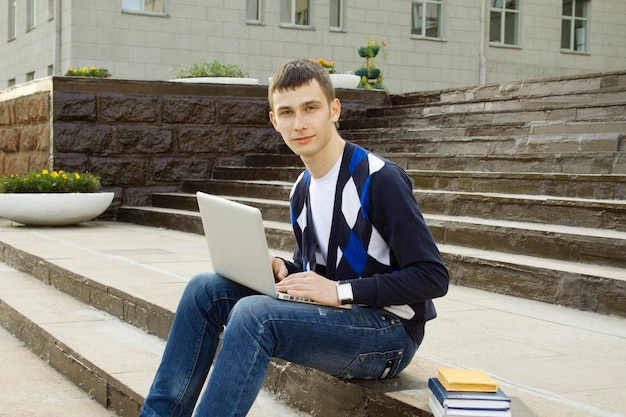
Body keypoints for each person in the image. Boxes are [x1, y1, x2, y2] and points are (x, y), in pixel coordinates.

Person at [138, 58, 449, 417]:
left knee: (255, 315)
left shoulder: (380, 179)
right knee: (203, 290)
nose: (299, 124)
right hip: (339, 318)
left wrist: (340, 291)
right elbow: (316, 269)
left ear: (334, 110)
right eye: (286, 113)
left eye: (310, 108)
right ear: (274, 121)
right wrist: (283, 268)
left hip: (388, 334)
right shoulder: (301, 189)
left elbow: (432, 276)